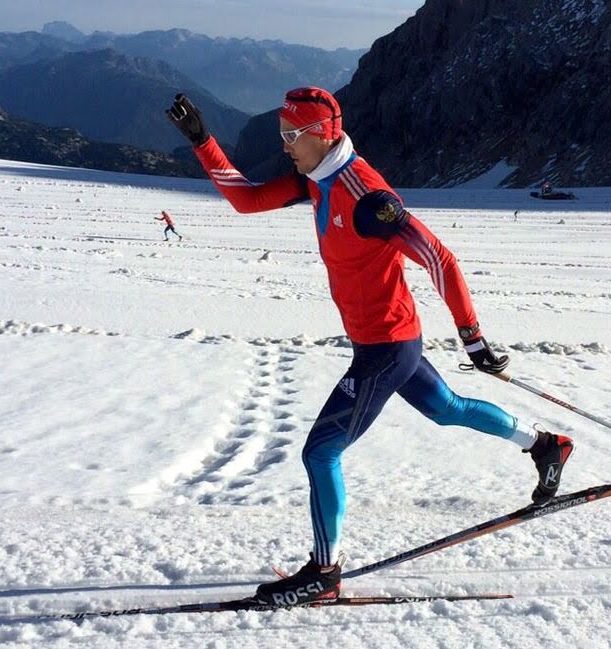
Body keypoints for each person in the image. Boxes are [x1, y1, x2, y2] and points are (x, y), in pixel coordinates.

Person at [166, 87, 574, 607]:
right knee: (448, 409)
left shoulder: (367, 198)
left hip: (388, 347)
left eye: (293, 135)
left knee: (320, 452)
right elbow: (246, 200)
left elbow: (439, 258)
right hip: (384, 342)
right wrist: (202, 140)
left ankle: (324, 574)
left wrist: (473, 338)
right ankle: (544, 445)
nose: (285, 144)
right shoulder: (315, 178)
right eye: (281, 133)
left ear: (323, 135)